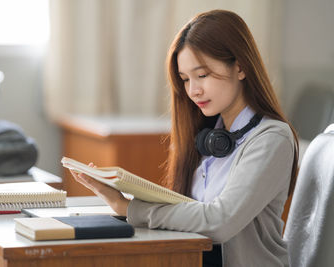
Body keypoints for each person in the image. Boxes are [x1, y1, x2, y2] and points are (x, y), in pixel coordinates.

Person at [70, 9, 299, 267]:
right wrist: (121, 201)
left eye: (202, 75)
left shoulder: (271, 139)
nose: (193, 90)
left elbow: (219, 221)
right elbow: (190, 214)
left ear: (241, 67)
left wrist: (128, 208)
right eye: (185, 79)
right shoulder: (209, 136)